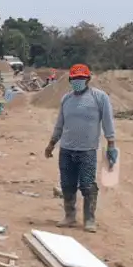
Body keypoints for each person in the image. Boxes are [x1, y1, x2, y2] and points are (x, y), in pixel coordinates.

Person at [44, 64, 118, 233]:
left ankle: (89, 219)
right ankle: (69, 216)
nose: (78, 82)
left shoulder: (100, 98)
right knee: (67, 184)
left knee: (87, 185)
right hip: (67, 149)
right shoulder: (66, 99)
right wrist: (51, 144)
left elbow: (107, 123)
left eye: (81, 79)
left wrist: (111, 145)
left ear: (88, 80)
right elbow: (59, 124)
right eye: (75, 79)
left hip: (87, 150)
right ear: (70, 80)